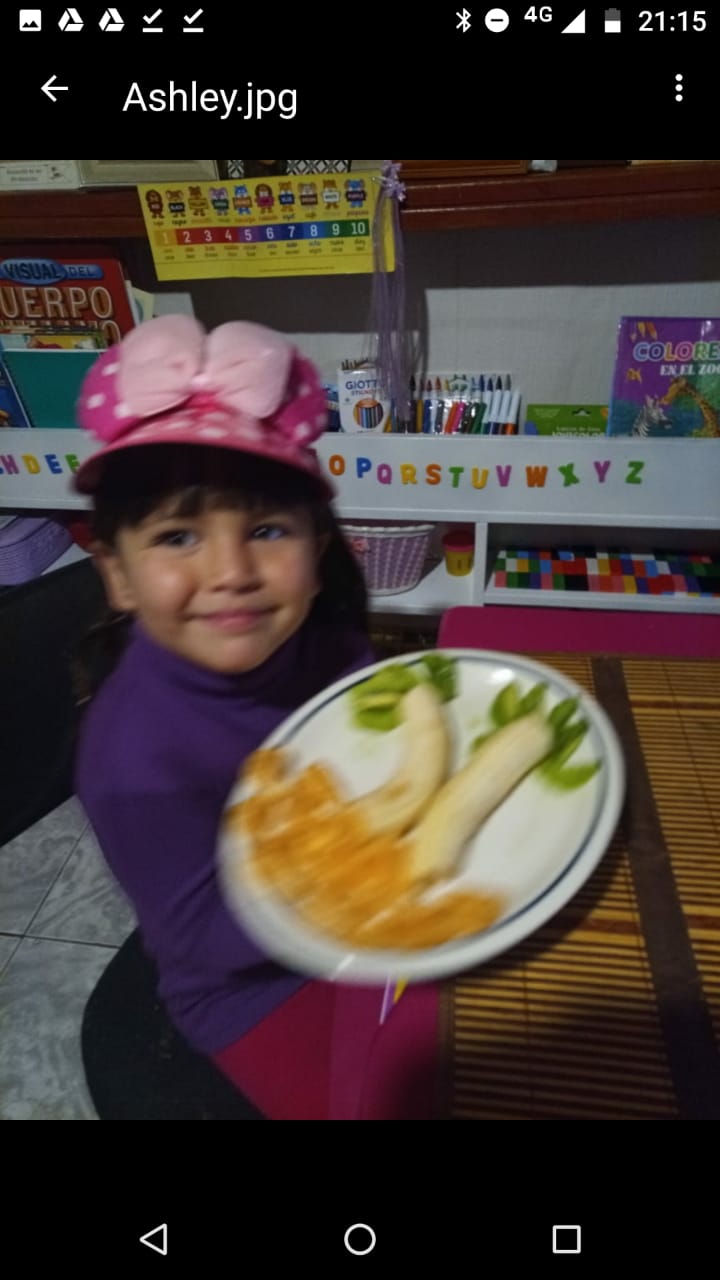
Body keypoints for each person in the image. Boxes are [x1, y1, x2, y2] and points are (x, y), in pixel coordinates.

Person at [73, 315, 438, 1120]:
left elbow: (379, 743)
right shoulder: (132, 761)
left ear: (319, 548)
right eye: (178, 536)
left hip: (367, 903)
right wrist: (362, 869)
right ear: (118, 574)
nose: (232, 571)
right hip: (251, 987)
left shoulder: (331, 649)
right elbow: (202, 936)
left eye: (267, 529)